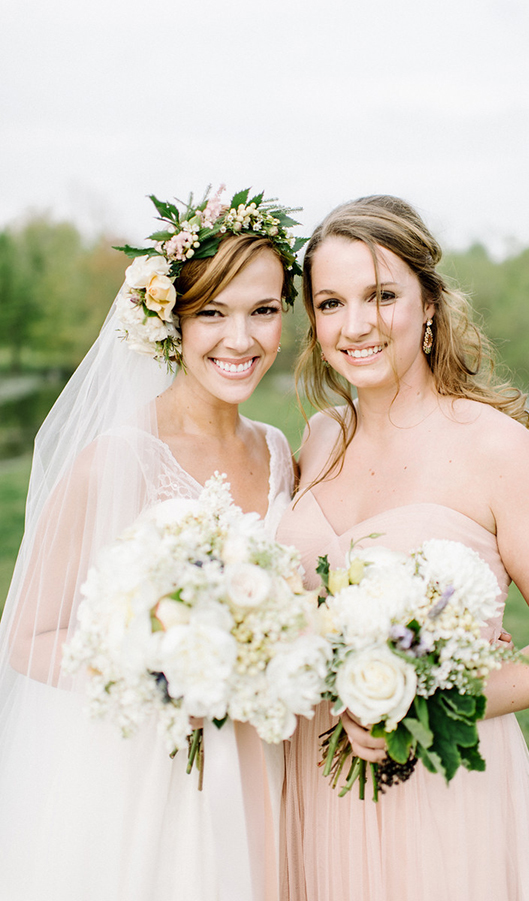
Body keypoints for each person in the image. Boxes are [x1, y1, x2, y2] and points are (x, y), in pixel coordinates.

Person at [277, 194, 529, 901]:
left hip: (438, 791)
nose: (355, 325)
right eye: (330, 303)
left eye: (382, 295)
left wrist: (433, 701)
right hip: (312, 778)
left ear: (429, 304)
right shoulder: (321, 437)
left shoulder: (501, 451)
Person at [0, 187, 304, 901]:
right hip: (142, 765)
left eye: (263, 310)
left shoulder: (279, 449)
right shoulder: (117, 455)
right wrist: (156, 670)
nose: (242, 339)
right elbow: (26, 633)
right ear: (171, 320)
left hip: (260, 751)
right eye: (213, 314)